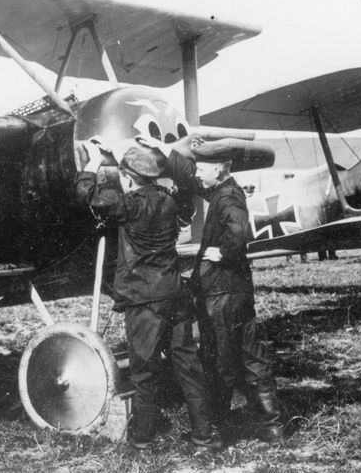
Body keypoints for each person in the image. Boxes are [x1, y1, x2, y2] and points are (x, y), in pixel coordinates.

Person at [76, 140, 222, 451]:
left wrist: (91, 164)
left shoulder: (130, 206)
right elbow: (158, 185)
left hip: (144, 299)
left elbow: (88, 194)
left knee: (144, 370)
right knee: (187, 363)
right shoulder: (169, 202)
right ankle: (204, 433)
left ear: (128, 178)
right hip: (174, 293)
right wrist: (125, 156)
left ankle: (141, 438)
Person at [154, 136, 284, 442]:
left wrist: (224, 252)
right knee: (249, 354)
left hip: (220, 295)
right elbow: (192, 178)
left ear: (219, 169)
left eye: (202, 168)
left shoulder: (227, 199)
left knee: (219, 360)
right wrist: (163, 150)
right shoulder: (225, 189)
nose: (197, 174)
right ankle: (273, 427)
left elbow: (238, 231)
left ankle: (215, 429)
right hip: (236, 291)